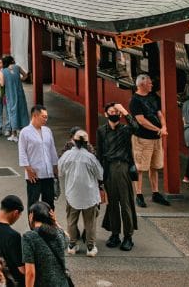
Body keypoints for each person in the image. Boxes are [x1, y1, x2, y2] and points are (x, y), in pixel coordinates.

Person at [97, 102, 137, 251]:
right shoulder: (101, 130)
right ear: (106, 114)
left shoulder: (125, 129)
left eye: (116, 111)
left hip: (122, 167)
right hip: (108, 167)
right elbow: (99, 152)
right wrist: (99, 175)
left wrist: (124, 111)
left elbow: (137, 128)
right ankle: (115, 234)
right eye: (111, 111)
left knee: (125, 204)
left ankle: (128, 236)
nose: (114, 113)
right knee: (112, 203)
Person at [58, 128, 103, 256]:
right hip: (89, 195)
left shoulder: (67, 155)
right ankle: (90, 247)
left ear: (75, 141)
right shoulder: (90, 157)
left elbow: (60, 171)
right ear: (86, 143)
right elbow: (100, 174)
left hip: (72, 194)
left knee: (71, 221)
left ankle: (72, 245)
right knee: (90, 223)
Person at [129, 74, 170, 207]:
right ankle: (139, 194)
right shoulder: (135, 100)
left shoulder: (154, 97)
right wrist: (158, 129)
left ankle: (155, 192)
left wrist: (163, 126)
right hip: (142, 138)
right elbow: (141, 120)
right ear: (141, 84)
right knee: (140, 167)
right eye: (149, 83)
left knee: (155, 166)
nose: (152, 85)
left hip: (156, 138)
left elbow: (159, 113)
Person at [21, 202, 71, 287]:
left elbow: (30, 273)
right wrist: (55, 222)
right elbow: (67, 237)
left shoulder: (29, 237)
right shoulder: (59, 233)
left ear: (31, 216)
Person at [18, 105, 57, 208]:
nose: (45, 119)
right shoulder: (25, 132)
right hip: (34, 174)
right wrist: (28, 169)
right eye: (43, 117)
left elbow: (52, 150)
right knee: (33, 203)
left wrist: (55, 168)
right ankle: (33, 223)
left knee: (49, 203)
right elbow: (22, 152)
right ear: (35, 116)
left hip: (48, 173)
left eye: (46, 117)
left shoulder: (47, 131)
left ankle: (49, 224)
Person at [0, 57, 28, 142]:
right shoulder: (17, 67)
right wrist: (19, 80)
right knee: (22, 111)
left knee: (12, 112)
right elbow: (25, 75)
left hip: (10, 94)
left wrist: (2, 94)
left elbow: (2, 84)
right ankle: (24, 133)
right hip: (20, 93)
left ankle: (14, 134)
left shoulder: (3, 71)